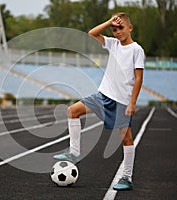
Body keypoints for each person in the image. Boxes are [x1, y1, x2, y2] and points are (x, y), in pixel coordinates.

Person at [53, 12, 145, 191]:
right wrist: (109, 21)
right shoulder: (113, 44)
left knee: (126, 137)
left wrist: (133, 102)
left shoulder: (136, 50)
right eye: (114, 29)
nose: (117, 32)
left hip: (122, 101)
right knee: (73, 111)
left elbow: (139, 78)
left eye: (121, 28)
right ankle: (75, 152)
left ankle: (127, 177)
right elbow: (92, 33)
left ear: (130, 28)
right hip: (103, 95)